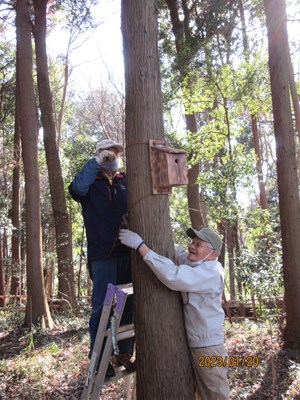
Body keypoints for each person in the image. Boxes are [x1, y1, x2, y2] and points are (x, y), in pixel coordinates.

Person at [119, 226, 230, 400]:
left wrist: (141, 246)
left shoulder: (211, 273)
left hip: (209, 349)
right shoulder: (198, 263)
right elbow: (179, 253)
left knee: (215, 394)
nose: (192, 246)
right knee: (199, 393)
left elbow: (174, 275)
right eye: (192, 242)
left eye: (199, 244)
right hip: (198, 344)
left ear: (213, 254)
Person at [69, 139, 134, 373]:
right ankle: (99, 359)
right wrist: (97, 161)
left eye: (116, 153)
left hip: (127, 251)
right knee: (101, 308)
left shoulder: (123, 180)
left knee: (129, 303)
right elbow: (76, 189)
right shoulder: (90, 182)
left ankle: (124, 353)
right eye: (108, 153)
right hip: (102, 255)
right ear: (98, 154)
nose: (113, 156)